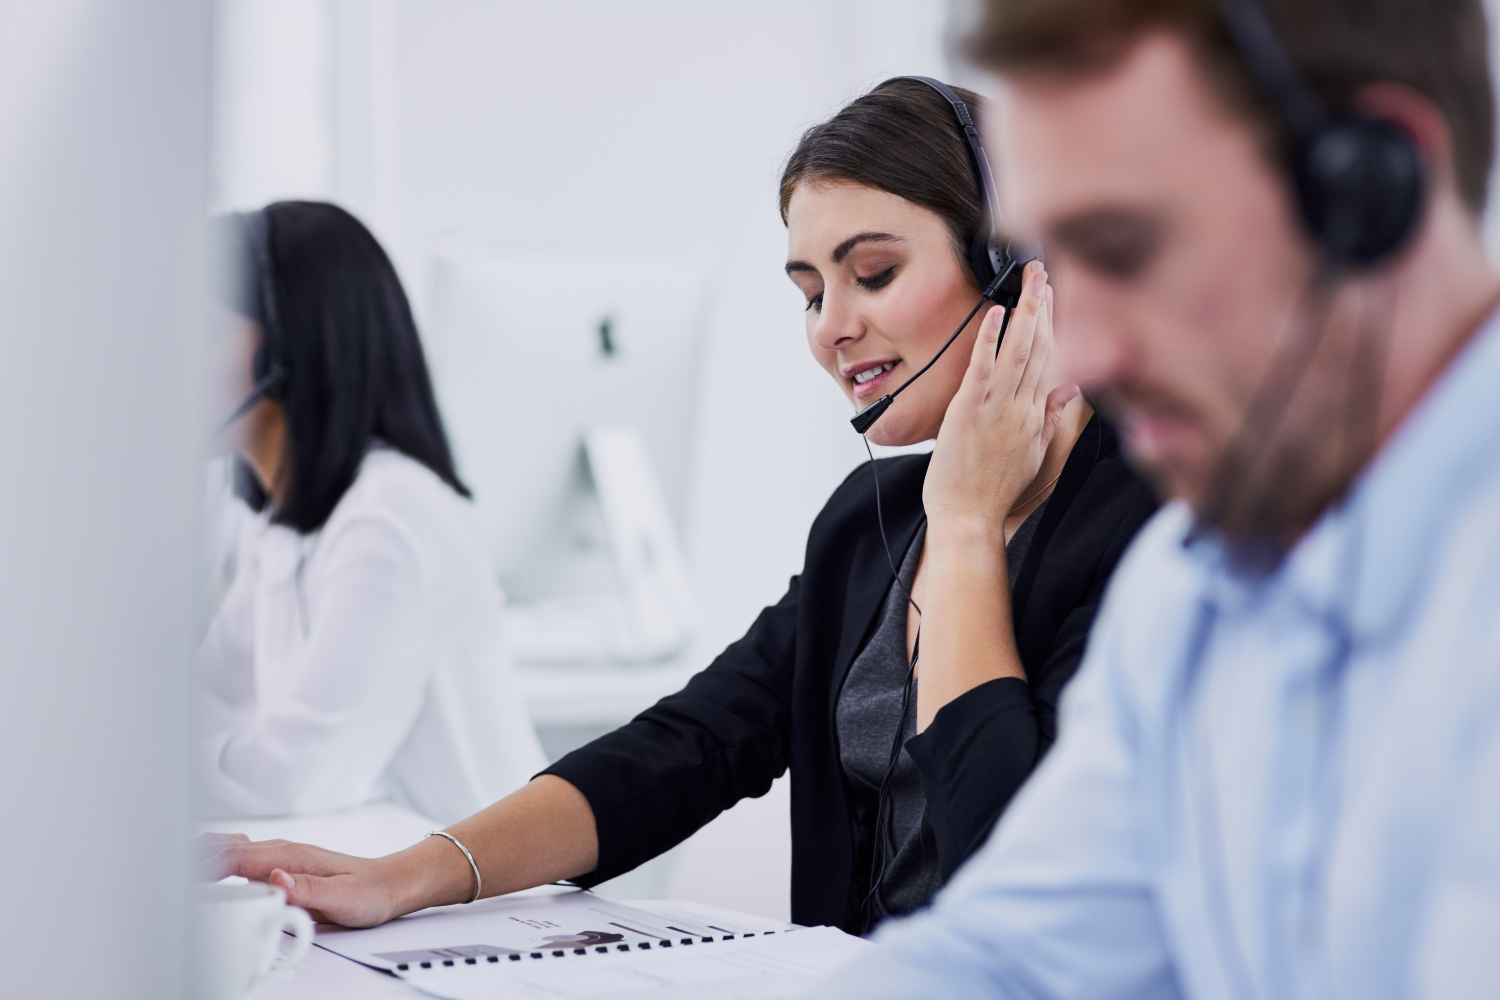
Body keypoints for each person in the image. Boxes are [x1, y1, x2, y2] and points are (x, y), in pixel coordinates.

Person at [208, 83, 1157, 933]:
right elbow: (691, 745)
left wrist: (963, 532)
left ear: (1018, 276)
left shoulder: (1149, 536)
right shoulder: (869, 523)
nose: (830, 328)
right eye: (810, 291)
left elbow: (1015, 864)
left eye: (872, 274)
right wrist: (408, 877)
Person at [807, 0, 1500, 997]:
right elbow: (1011, 962)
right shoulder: (1191, 598)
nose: (1084, 352)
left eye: (1126, 249)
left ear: (1375, 194)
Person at [200, 201, 545, 824]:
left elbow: (295, 777)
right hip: (387, 880)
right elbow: (202, 708)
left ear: (289, 339)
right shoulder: (279, 525)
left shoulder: (390, 518)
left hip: (487, 905)